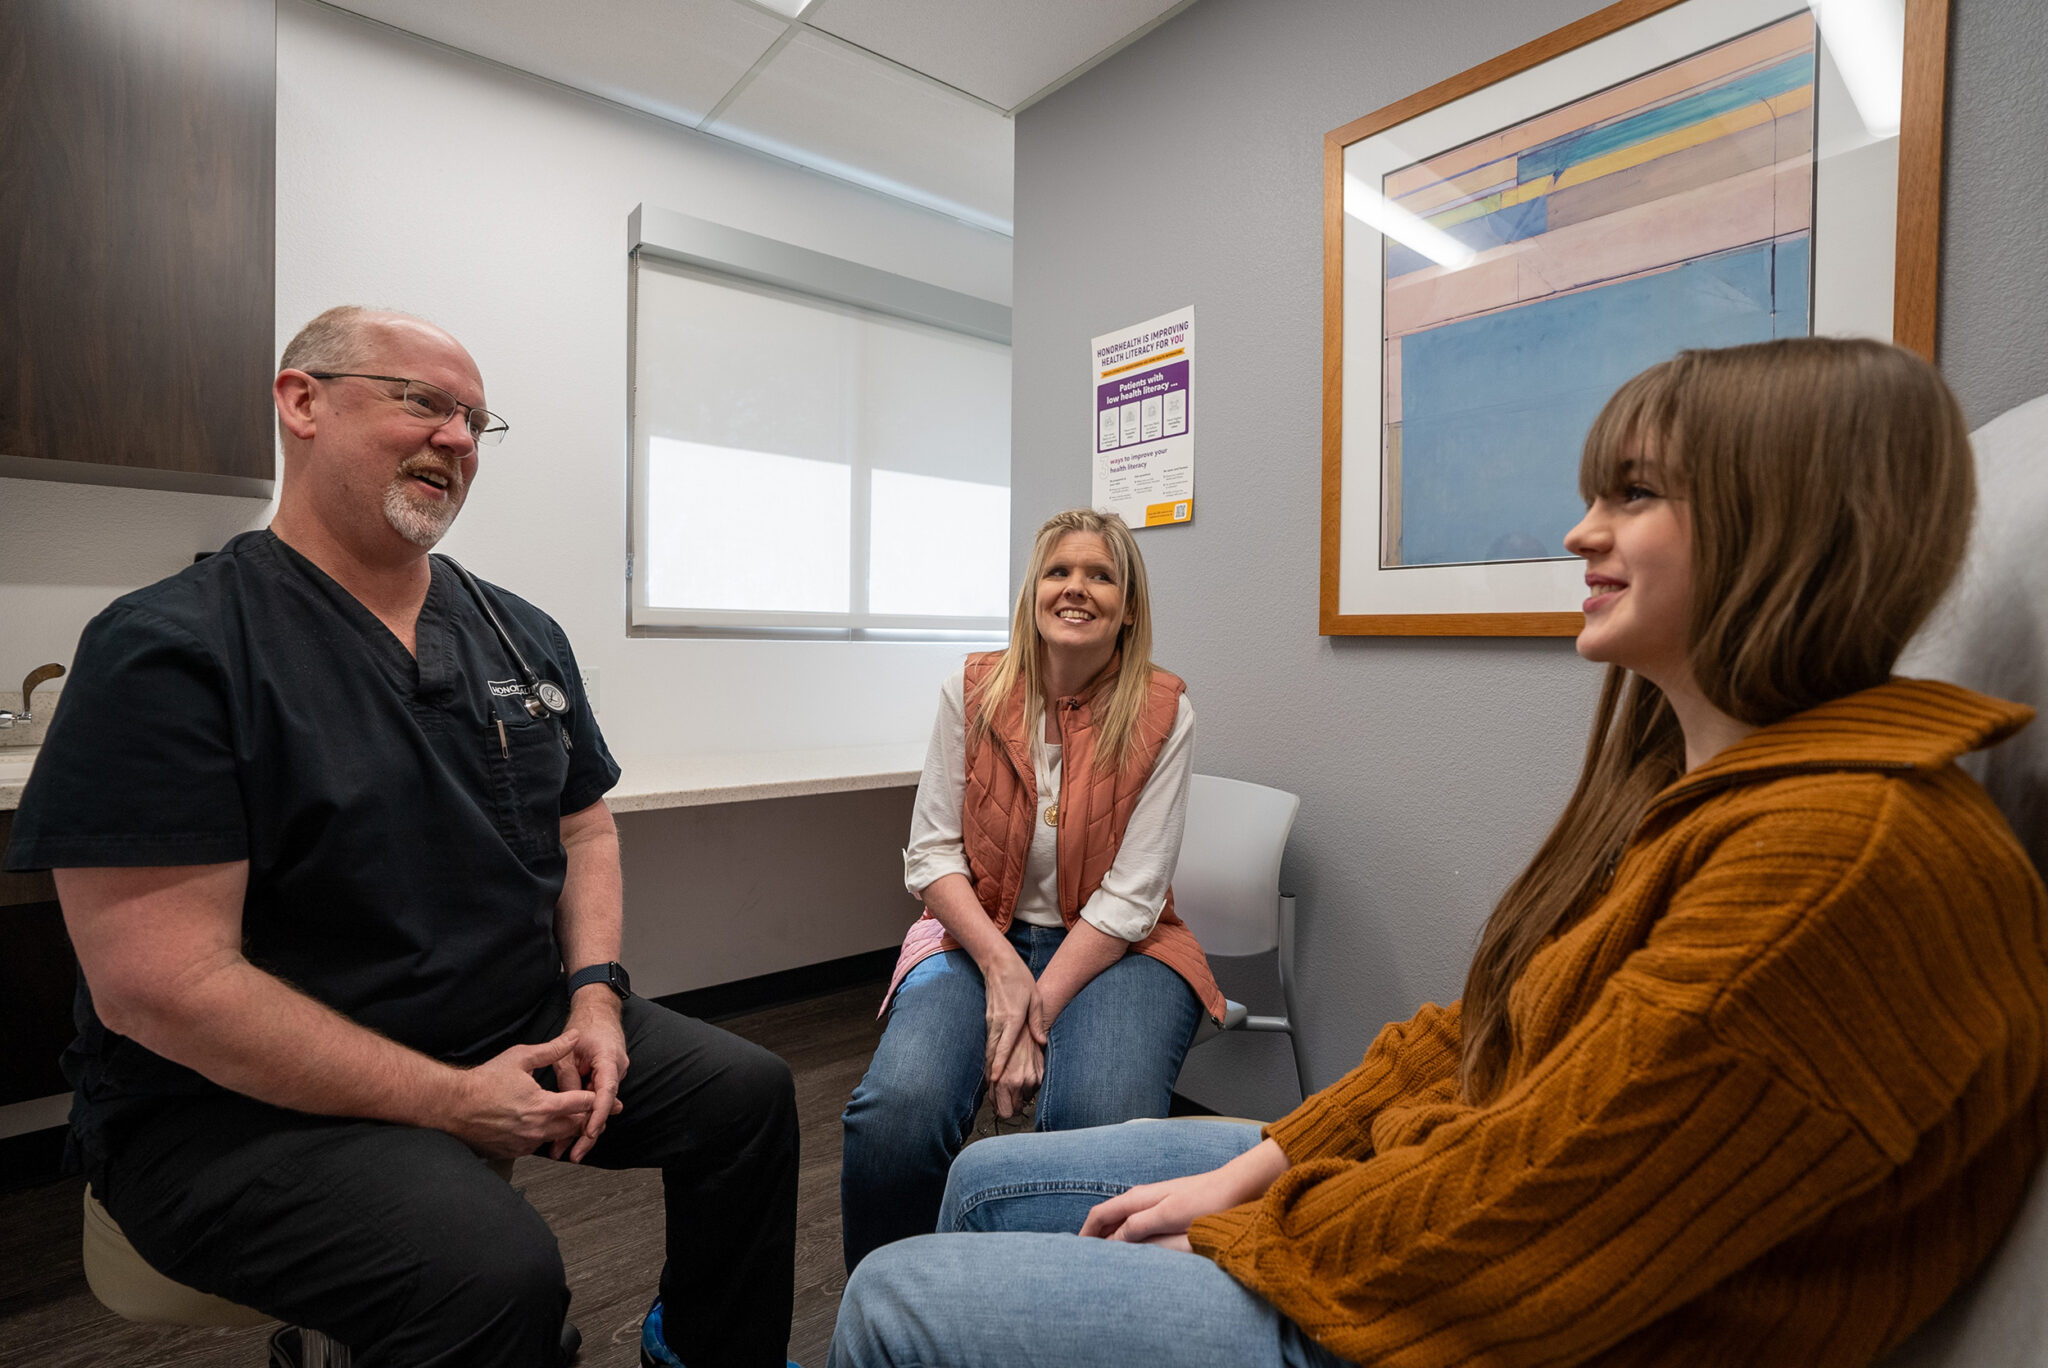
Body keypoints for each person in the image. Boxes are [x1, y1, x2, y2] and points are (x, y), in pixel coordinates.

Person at [827, 337, 2048, 1368]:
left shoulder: (1829, 866)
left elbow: (1532, 1214)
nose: (1579, 532)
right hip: (1424, 1194)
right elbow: (1478, 1036)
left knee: (892, 1302)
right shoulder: (1688, 791)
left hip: (1461, 1304)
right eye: (1056, 569)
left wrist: (1271, 1218)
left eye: (1632, 496)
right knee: (968, 1176)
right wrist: (1282, 1154)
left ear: (1781, 526)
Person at [2, 307, 799, 1368]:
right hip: (232, 1103)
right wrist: (454, 1101)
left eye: (476, 419)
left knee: (746, 1097)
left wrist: (596, 993)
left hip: (504, 1020)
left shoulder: (516, 631)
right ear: (301, 403)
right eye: (422, 401)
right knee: (488, 1271)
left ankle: (709, 1350)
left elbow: (584, 824)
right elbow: (161, 985)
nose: (459, 439)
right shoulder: (171, 647)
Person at [838, 508, 1228, 1271]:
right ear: (1033, 592)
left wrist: (1027, 1014)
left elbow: (1132, 897)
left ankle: (1045, 1314)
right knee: (895, 1118)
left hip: (1122, 949)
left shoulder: (1164, 711)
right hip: (978, 934)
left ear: (1128, 606)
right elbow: (932, 856)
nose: (1076, 589)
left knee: (1096, 1124)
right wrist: (1005, 972)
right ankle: (896, 1319)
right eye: (1059, 572)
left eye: (1100, 575)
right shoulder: (973, 690)